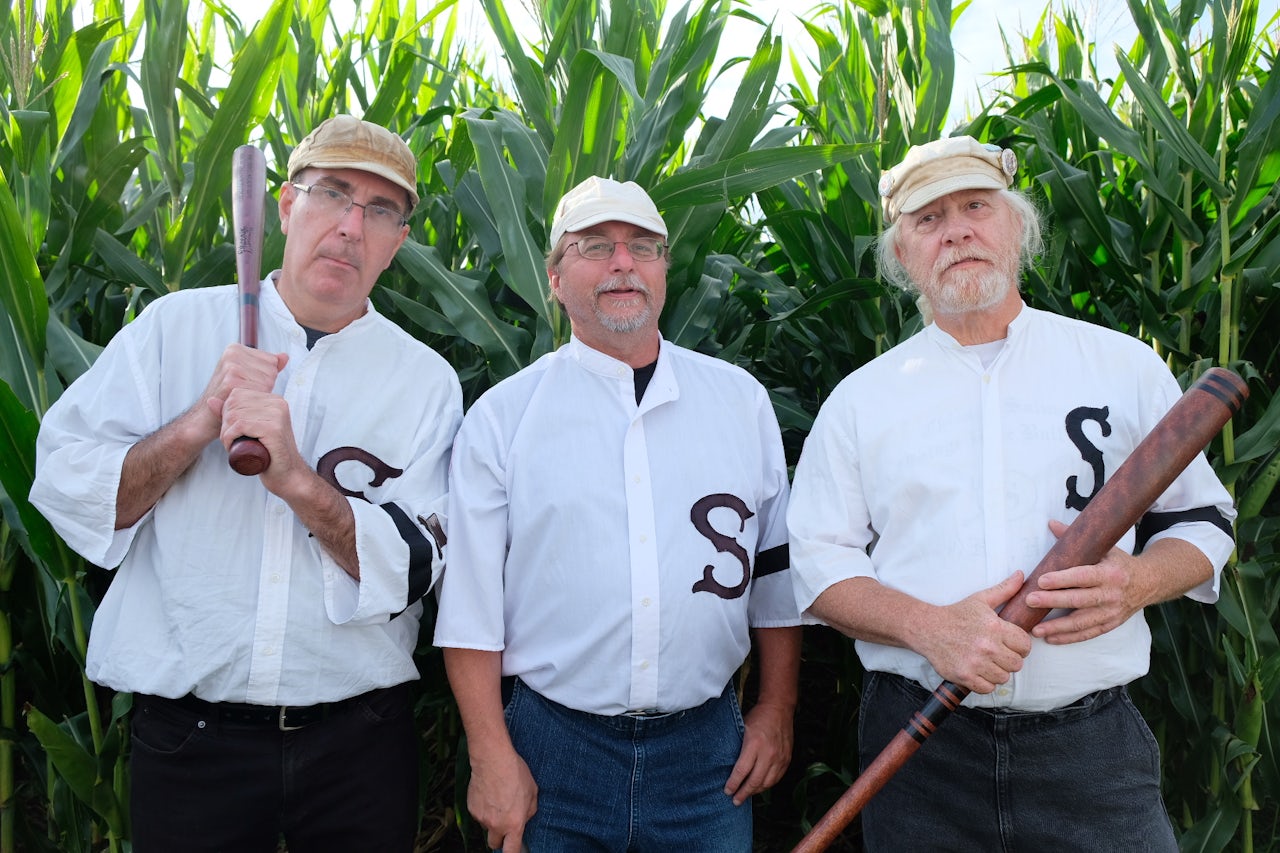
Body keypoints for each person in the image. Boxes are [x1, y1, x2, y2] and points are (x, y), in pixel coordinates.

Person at [787, 136, 1236, 851]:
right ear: (901, 255)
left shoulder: (1122, 364)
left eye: (976, 206)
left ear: (1019, 228)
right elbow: (816, 564)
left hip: (1091, 753)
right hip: (921, 751)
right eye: (928, 220)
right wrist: (926, 627)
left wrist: (1140, 581)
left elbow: (1204, 521)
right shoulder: (860, 400)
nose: (957, 230)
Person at [29, 114, 462, 852]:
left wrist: (296, 480)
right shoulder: (172, 331)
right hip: (192, 745)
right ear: (286, 207)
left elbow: (418, 564)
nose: (351, 226)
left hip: (358, 745)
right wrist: (198, 422)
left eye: (381, 210)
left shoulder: (425, 381)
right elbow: (66, 484)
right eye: (332, 194)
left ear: (399, 242)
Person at [434, 176, 803, 852]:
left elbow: (776, 575)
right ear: (554, 277)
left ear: (665, 267)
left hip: (707, 757)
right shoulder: (504, 419)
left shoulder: (740, 403)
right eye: (595, 246)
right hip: (552, 748)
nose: (622, 262)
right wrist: (490, 756)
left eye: (643, 246)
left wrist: (776, 707)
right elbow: (470, 611)